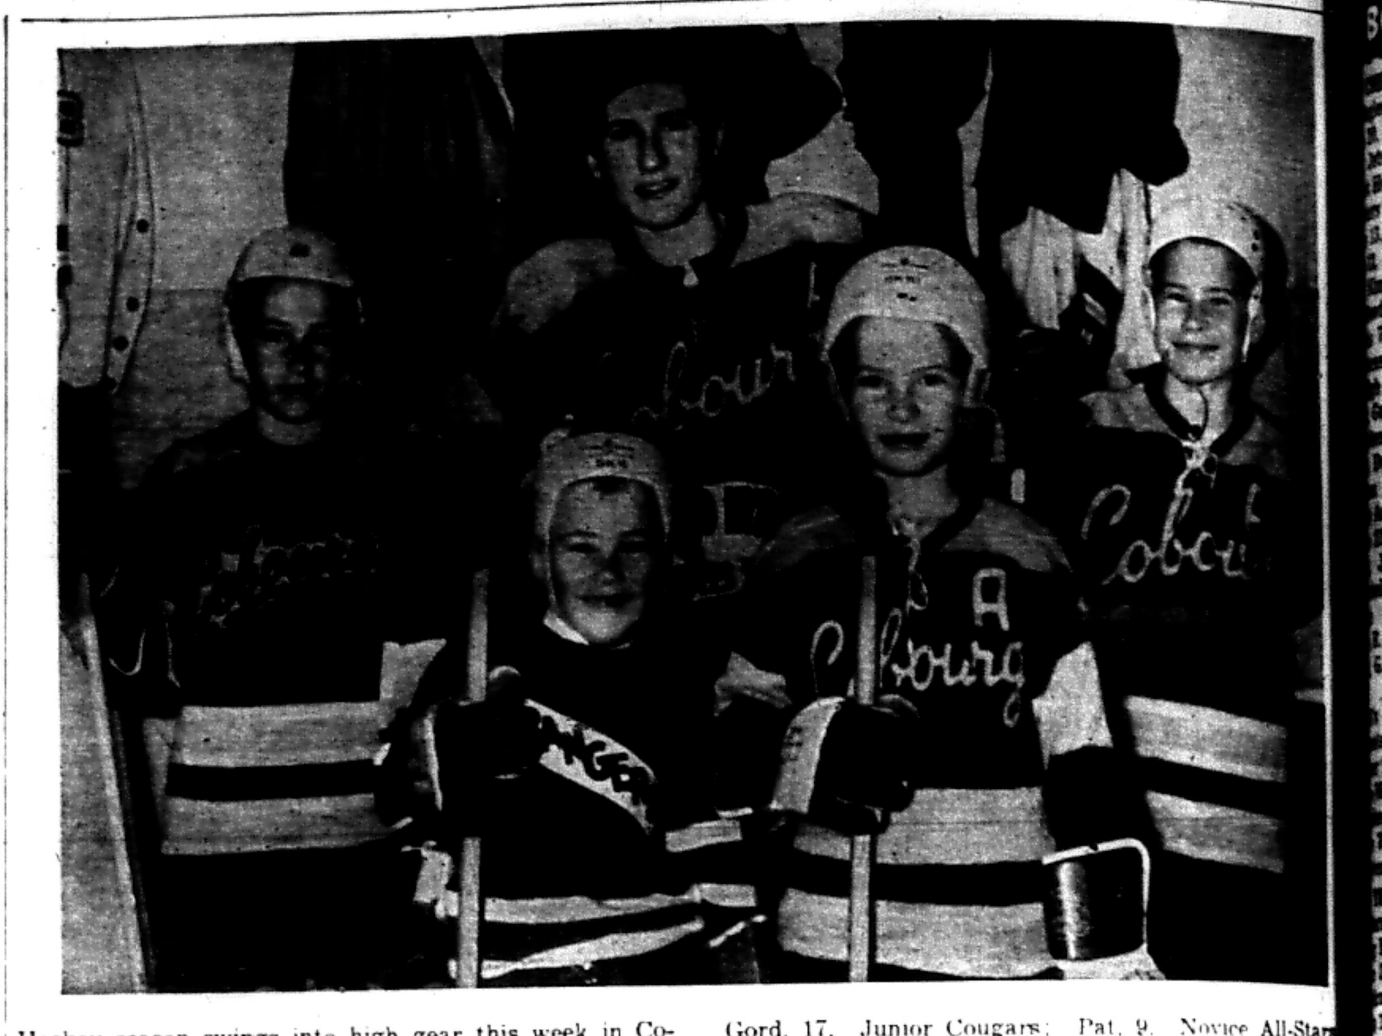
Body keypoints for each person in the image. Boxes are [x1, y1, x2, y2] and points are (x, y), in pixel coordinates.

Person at [715, 247, 1157, 981]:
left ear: (974, 382)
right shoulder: (798, 551)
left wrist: (1110, 953)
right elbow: (736, 736)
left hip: (1003, 946)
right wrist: (810, 748)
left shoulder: (1030, 552)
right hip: (832, 941)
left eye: (930, 379)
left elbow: (1081, 752)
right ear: (839, 390)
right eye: (874, 381)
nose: (902, 407)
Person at [99, 226, 463, 990]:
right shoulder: (184, 483)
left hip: (365, 839)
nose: (300, 360)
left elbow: (431, 669)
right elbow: (144, 692)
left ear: (353, 343)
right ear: (237, 344)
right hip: (215, 845)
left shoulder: (405, 482)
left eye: (321, 337)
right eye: (275, 336)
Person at [1019, 196, 1324, 983]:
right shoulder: (1088, 430)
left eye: (1218, 299)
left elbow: (1310, 658)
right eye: (1176, 298)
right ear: (1149, 306)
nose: (1194, 321)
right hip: (1110, 805)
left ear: (1256, 314)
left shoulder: (1296, 467)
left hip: (1244, 824)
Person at [491, 28, 863, 605]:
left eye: (674, 126)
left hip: (807, 588)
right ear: (594, 162)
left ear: (714, 139)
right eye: (623, 135)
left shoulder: (808, 250)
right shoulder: (563, 296)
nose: (652, 158)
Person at [385, 430, 763, 986]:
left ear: (666, 558)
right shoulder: (480, 661)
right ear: (540, 558)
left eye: (634, 547)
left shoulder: (690, 675)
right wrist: (435, 755)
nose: (608, 571)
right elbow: (398, 803)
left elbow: (715, 855)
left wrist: (738, 972)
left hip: (654, 963)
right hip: (507, 971)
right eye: (581, 548)